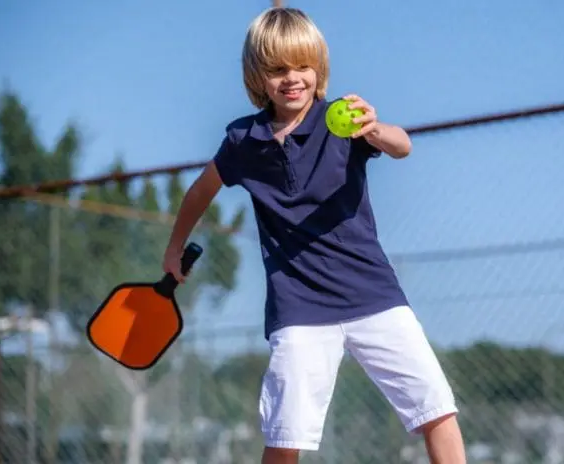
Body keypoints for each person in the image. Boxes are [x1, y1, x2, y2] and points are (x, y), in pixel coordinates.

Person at [162, 6, 466, 464]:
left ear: (318, 69)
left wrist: (376, 128)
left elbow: (402, 146)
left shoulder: (342, 119)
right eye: (278, 69)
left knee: (436, 410)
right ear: (257, 75)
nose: (292, 78)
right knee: (286, 435)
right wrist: (173, 247)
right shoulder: (244, 141)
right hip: (299, 310)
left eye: (302, 66)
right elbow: (200, 191)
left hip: (375, 296)